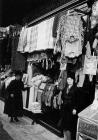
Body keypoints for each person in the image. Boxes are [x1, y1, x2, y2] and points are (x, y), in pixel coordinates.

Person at [59, 72, 78, 140]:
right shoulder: (65, 88)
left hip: (71, 109)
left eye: (71, 79)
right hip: (64, 108)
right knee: (64, 124)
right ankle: (65, 138)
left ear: (73, 80)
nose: (69, 81)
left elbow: (77, 99)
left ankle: (69, 139)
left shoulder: (76, 88)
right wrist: (62, 101)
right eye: (68, 79)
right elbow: (62, 96)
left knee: (69, 126)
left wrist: (75, 108)